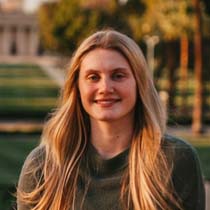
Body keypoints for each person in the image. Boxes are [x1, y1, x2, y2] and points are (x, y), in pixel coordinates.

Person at [17, 29, 205, 210]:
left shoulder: (176, 160)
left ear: (138, 84)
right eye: (93, 77)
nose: (105, 87)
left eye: (118, 76)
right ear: (77, 88)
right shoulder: (42, 166)